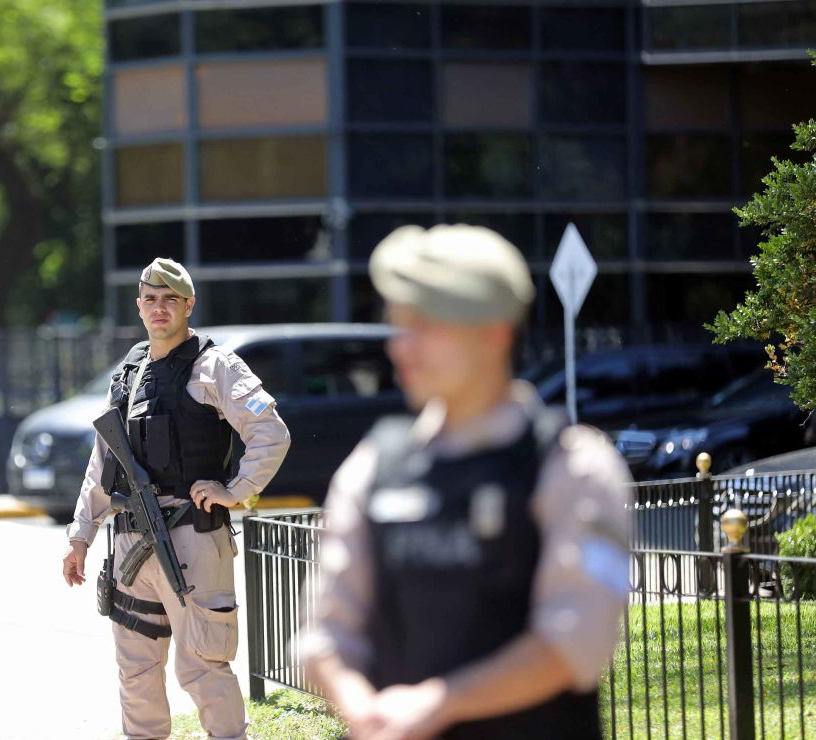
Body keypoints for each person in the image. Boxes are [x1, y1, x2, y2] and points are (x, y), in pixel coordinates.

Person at [298, 225, 631, 740]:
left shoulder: (572, 467)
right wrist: (364, 710)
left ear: (494, 333)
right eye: (398, 326)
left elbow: (576, 642)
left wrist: (439, 704)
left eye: (425, 327)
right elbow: (325, 635)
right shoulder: (372, 466)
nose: (400, 349)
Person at [62, 257, 291, 740]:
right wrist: (80, 535)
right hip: (132, 543)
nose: (159, 308)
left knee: (203, 667)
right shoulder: (128, 370)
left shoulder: (216, 365)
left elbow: (271, 432)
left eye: (170, 299)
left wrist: (235, 492)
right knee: (136, 671)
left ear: (189, 304)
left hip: (191, 539)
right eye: (150, 299)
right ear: (139, 306)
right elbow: (104, 463)